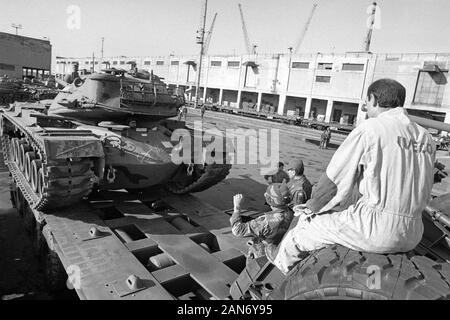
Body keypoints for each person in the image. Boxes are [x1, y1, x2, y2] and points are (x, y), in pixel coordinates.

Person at [268, 78, 436, 274]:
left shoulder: (371, 128)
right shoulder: (426, 137)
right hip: (414, 231)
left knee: (302, 230)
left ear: (373, 99)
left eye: (367, 100)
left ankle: (278, 275)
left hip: (376, 228)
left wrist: (312, 208)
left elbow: (335, 179)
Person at [231, 183, 293, 260]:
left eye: (267, 194)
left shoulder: (266, 221)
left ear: (270, 200)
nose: (264, 194)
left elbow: (237, 230)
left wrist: (237, 208)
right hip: (279, 250)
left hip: (263, 256)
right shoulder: (291, 212)